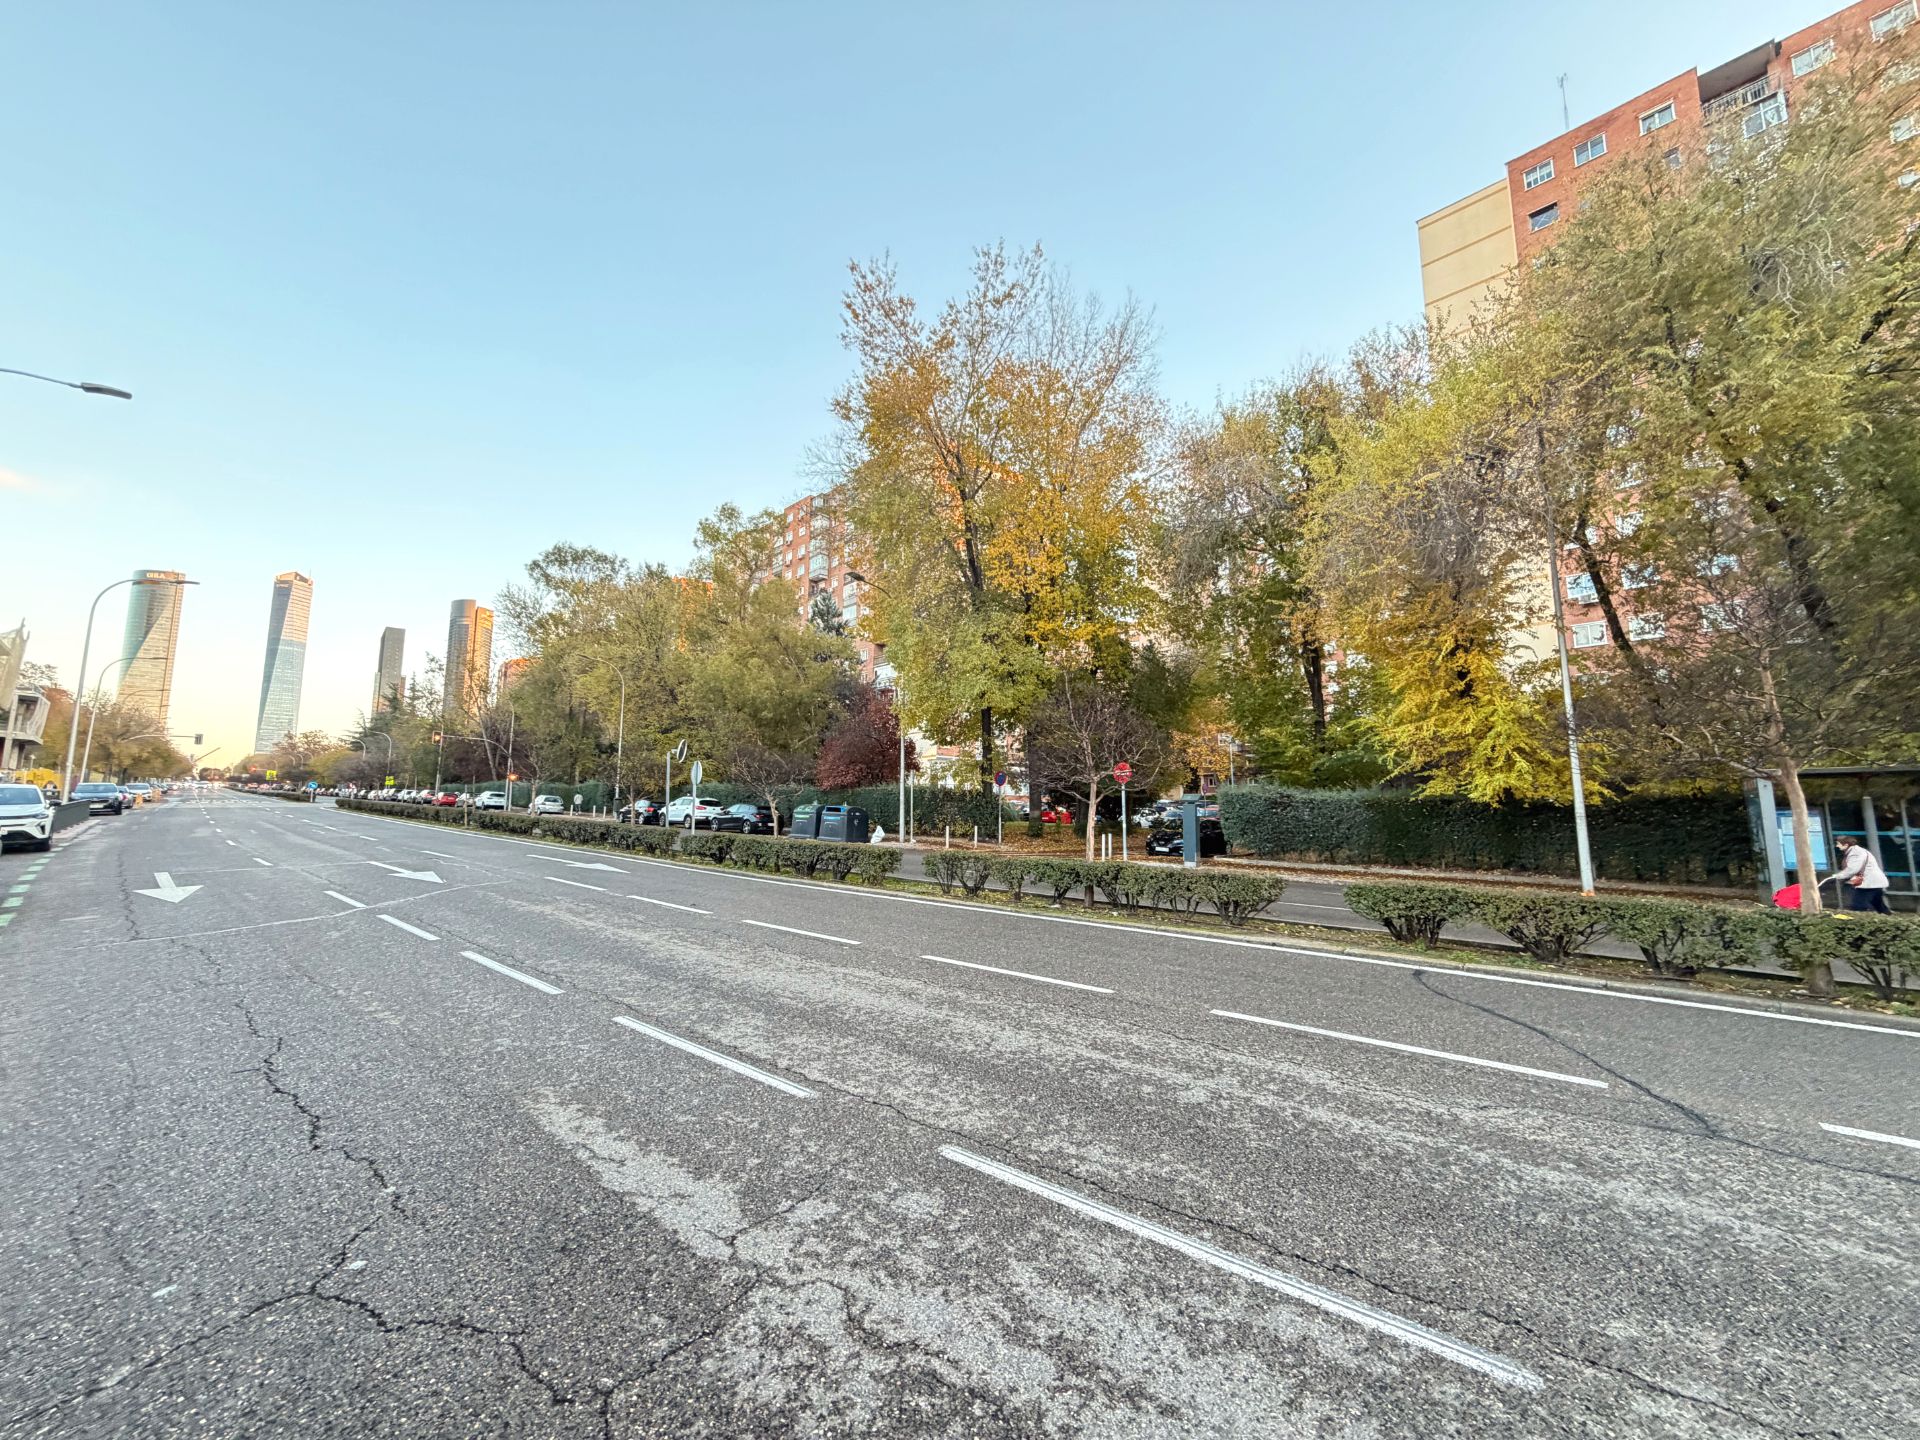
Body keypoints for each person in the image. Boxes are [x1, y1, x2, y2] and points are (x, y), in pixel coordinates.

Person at [1826, 837, 1892, 914]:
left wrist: (1837, 876)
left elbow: (1853, 869)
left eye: (1838, 844)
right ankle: (1889, 917)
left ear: (1846, 845)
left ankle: (1862, 922)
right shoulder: (1856, 851)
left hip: (1869, 883)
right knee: (1878, 905)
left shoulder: (1856, 853)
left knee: (1859, 906)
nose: (1837, 846)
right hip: (1873, 882)